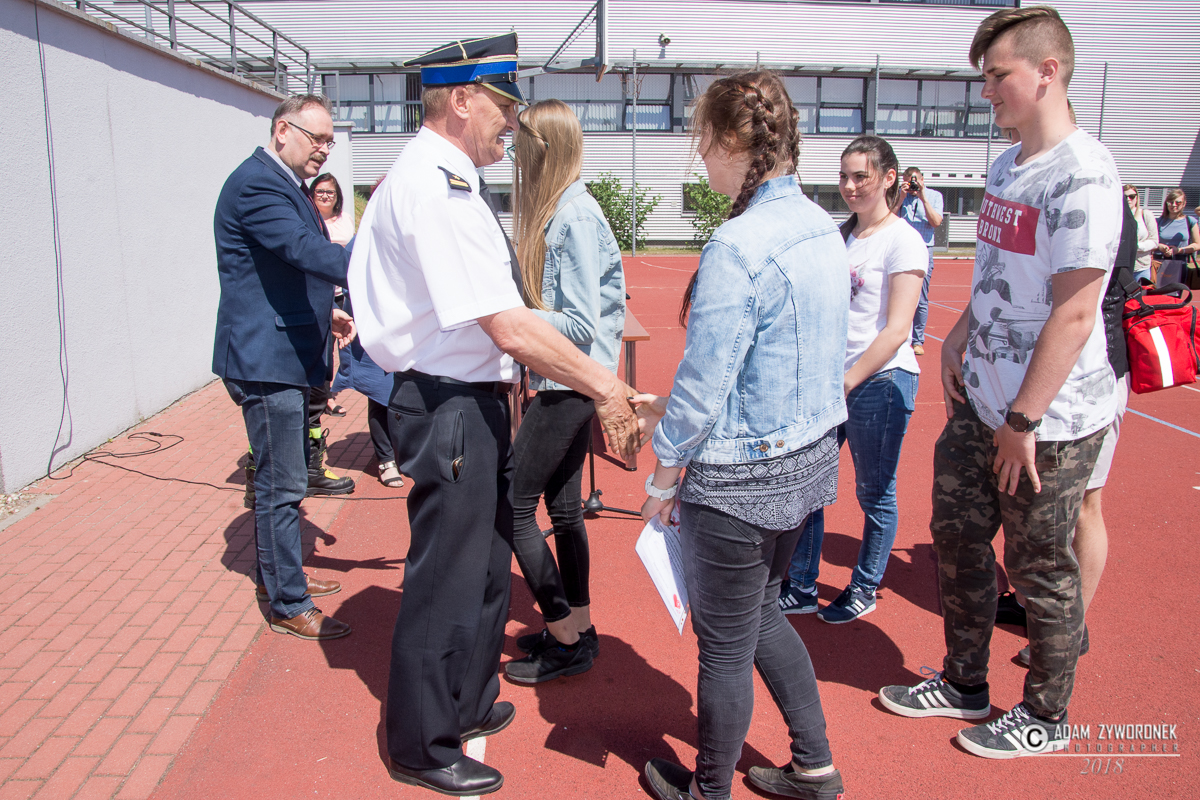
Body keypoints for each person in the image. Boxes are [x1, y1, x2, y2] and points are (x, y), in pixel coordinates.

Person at [348, 34, 639, 797]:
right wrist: (605, 387)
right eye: (502, 107)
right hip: (447, 403)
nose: (511, 123)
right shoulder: (436, 186)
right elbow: (507, 325)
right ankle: (421, 743)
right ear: (460, 100)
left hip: (469, 402)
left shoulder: (446, 180)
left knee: (482, 570)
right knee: (447, 578)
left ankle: (469, 701)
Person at [878, 6, 1123, 759]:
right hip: (979, 403)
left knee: (1040, 568)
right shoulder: (1007, 165)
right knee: (956, 540)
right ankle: (963, 682)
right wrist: (958, 336)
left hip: (1044, 422)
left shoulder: (1084, 175)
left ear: (1048, 72)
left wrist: (1022, 421)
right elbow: (998, 277)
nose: (986, 93)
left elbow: (1075, 312)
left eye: (997, 76)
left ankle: (1046, 716)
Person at [636, 70, 848, 800]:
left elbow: (705, 384)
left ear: (733, 141)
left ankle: (709, 791)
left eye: (703, 142)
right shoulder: (821, 225)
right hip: (804, 462)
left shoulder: (737, 244)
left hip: (738, 478)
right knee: (762, 616)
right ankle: (814, 765)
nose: (701, 158)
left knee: (724, 646)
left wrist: (663, 478)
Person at [213, 94, 354, 641]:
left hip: (284, 353)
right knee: (282, 483)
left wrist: (327, 312)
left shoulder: (285, 184)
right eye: (317, 138)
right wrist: (384, 260)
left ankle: (284, 576)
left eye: (329, 141)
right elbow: (303, 250)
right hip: (267, 360)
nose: (325, 149)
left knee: (288, 479)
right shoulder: (258, 184)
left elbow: (284, 269)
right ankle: (286, 602)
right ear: (282, 131)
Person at [777, 135, 927, 624]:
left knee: (874, 493)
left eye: (861, 176)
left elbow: (898, 329)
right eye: (843, 176)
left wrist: (847, 380)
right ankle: (801, 584)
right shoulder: (840, 236)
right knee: (808, 485)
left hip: (879, 383)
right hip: (833, 384)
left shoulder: (903, 240)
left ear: (889, 178)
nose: (850, 186)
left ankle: (864, 586)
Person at [502, 99, 626, 684]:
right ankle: (578, 626)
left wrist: (507, 315)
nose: (512, 150)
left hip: (569, 381)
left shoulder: (572, 215)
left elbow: (578, 323)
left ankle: (565, 635)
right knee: (564, 509)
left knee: (512, 505)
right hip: (572, 380)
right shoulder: (566, 208)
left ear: (542, 149)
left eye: (520, 142)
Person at [894, 166, 944, 356]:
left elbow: (936, 222)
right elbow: (887, 218)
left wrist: (923, 198)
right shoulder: (899, 195)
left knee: (921, 297)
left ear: (922, 180)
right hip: (901, 248)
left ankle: (917, 340)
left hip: (924, 248)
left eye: (915, 180)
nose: (912, 185)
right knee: (896, 294)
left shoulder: (934, 196)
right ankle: (897, 337)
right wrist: (900, 198)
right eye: (908, 181)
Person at [1153, 188, 1199, 287]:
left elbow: (1197, 244)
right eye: (1170, 202)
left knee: (1176, 292)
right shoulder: (1157, 222)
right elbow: (1150, 241)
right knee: (1157, 292)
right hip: (1159, 262)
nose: (1174, 205)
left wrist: (1179, 250)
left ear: (1184, 204)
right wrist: (1160, 246)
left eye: (1178, 202)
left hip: (1180, 262)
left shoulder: (1190, 221)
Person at [1122, 185, 1158, 283]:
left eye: (1132, 196)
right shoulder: (1117, 216)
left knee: (1142, 292)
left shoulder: (1145, 215)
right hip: (1121, 268)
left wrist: (1136, 246)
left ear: (1137, 198)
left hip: (1141, 267)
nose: (1128, 199)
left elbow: (1154, 241)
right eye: (1125, 197)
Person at [311, 173, 355, 246]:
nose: (325, 196)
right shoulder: (307, 219)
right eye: (320, 191)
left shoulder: (346, 218)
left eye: (330, 192)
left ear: (337, 195)